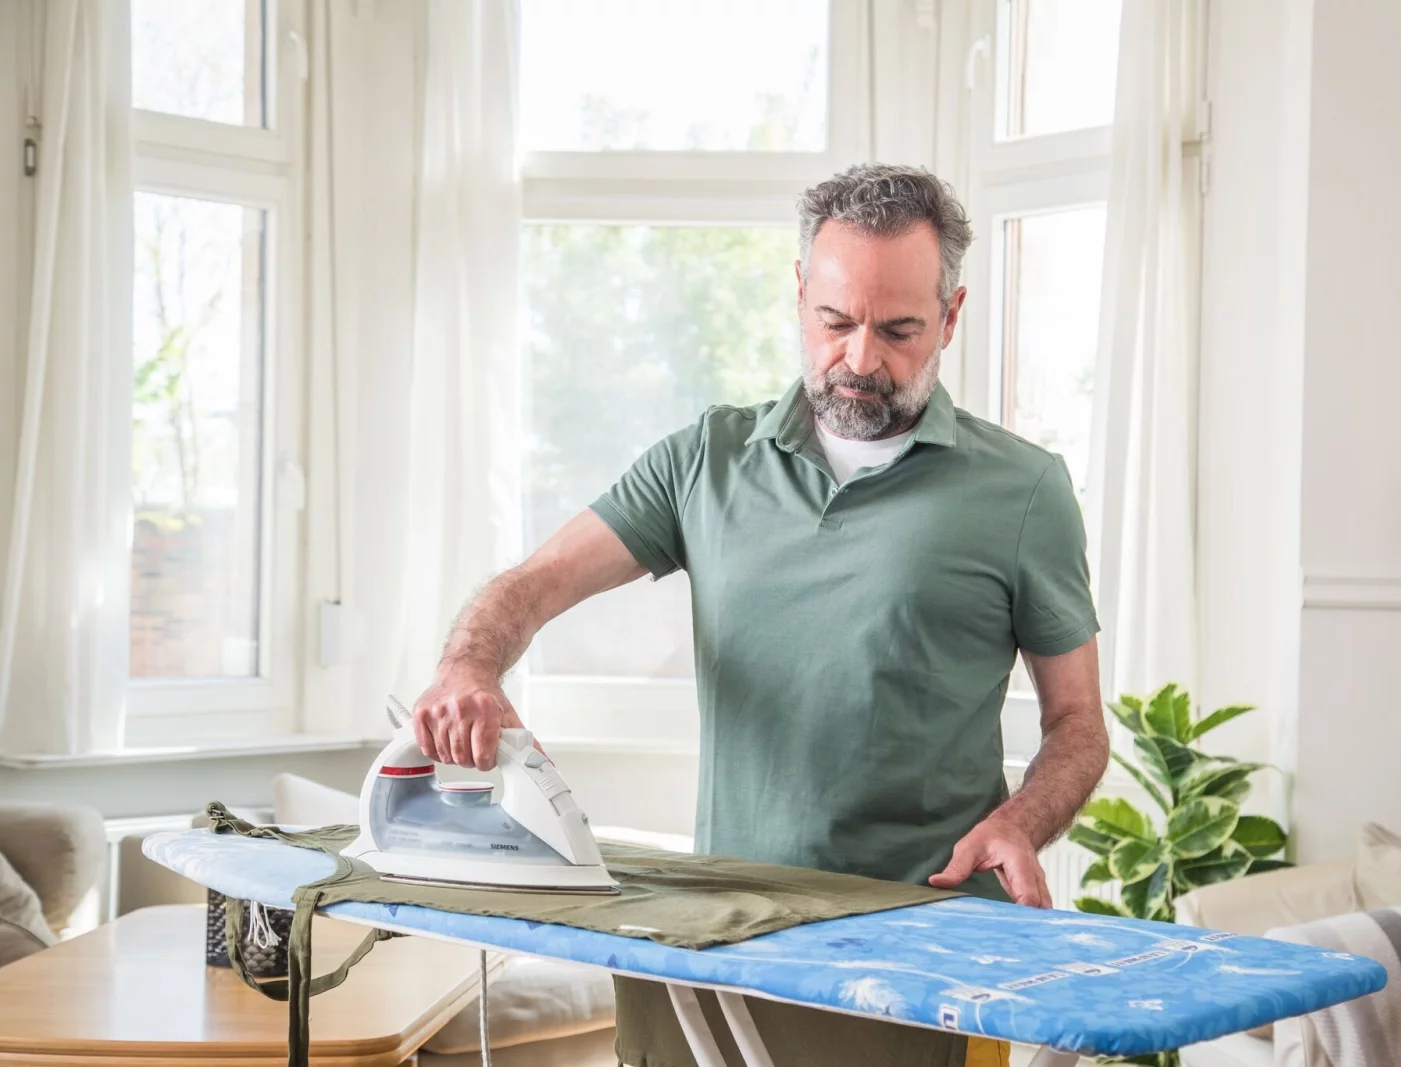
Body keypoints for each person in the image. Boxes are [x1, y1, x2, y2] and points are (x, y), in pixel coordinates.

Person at [411, 162, 1108, 1066]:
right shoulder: (707, 460)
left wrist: (1021, 822)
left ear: (951, 315)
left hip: (930, 954)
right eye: (836, 321)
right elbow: (536, 582)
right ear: (798, 294)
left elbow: (1078, 723)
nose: (861, 359)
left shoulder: (1024, 491)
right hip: (735, 941)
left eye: (899, 329)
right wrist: (468, 664)